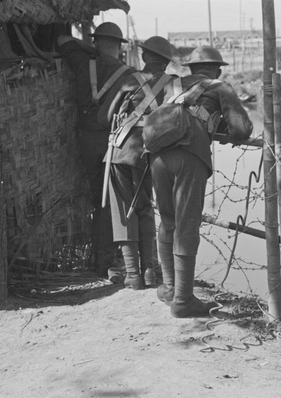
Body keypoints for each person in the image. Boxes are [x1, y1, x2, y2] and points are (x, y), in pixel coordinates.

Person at [146, 46, 253, 317]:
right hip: (189, 156)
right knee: (187, 224)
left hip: (157, 156)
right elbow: (240, 129)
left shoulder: (171, 85)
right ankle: (183, 301)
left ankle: (170, 288)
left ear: (191, 69)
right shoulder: (220, 87)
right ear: (217, 69)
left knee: (168, 220)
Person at [57, 22, 133, 277]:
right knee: (109, 203)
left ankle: (100, 259)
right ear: (120, 46)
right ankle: (105, 262)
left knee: (95, 198)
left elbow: (62, 40)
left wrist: (89, 48)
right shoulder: (128, 74)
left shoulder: (83, 62)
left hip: (85, 140)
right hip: (111, 142)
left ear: (96, 42)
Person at [98, 36, 174, 290]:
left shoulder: (129, 79)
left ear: (144, 57)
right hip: (150, 155)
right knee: (144, 207)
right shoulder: (172, 85)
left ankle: (133, 275)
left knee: (123, 211)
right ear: (166, 62)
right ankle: (150, 271)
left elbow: (104, 116)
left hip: (121, 152)